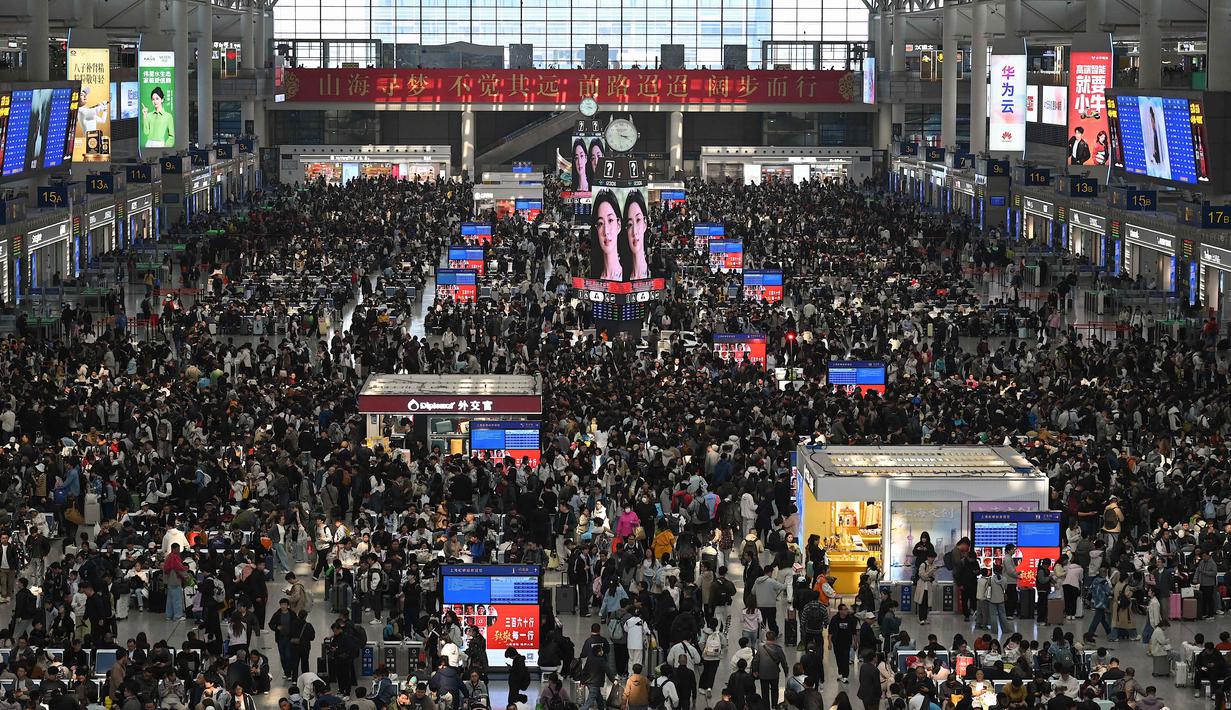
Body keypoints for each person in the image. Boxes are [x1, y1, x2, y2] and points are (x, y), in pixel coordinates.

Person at [590, 190, 624, 280]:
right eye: (600, 223)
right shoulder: (593, 277)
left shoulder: (630, 275)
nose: (606, 231)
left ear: (619, 225)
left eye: (610, 220)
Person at [622, 192, 650, 280]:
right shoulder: (622, 276)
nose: (634, 232)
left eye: (638, 220)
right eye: (630, 224)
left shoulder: (652, 272)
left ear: (645, 223)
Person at [828, 605, 857, 685]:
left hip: (846, 643)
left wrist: (855, 642)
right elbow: (830, 632)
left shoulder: (850, 619)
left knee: (845, 658)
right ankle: (840, 673)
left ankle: (845, 675)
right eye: (844, 609)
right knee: (838, 658)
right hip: (837, 643)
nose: (846, 611)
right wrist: (830, 642)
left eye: (846, 609)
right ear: (840, 611)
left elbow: (854, 632)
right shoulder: (834, 619)